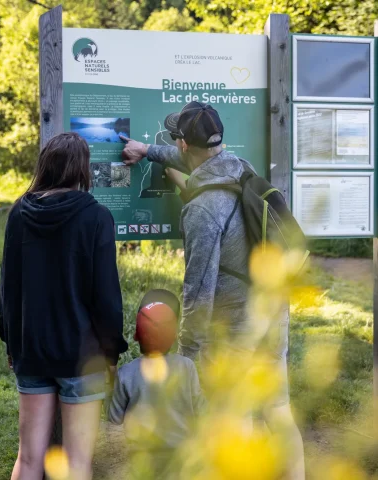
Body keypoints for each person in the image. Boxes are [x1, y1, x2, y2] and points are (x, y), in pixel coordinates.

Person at [121, 101, 305, 479]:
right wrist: (149, 151)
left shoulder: (204, 207)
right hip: (271, 312)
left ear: (186, 145)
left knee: (232, 417)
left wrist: (187, 353)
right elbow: (189, 157)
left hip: (234, 327)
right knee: (276, 409)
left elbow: (198, 290)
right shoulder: (243, 170)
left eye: (178, 141)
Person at [0, 132, 128, 480]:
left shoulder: (19, 214)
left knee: (28, 459)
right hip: (82, 356)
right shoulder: (96, 217)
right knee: (76, 464)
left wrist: (12, 343)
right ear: (82, 169)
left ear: (46, 166)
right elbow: (105, 296)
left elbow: (8, 289)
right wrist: (111, 352)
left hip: (33, 350)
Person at [108, 289, 204, 478]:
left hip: (141, 459)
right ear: (174, 336)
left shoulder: (126, 374)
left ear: (136, 337)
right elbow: (201, 409)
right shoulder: (187, 366)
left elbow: (114, 417)